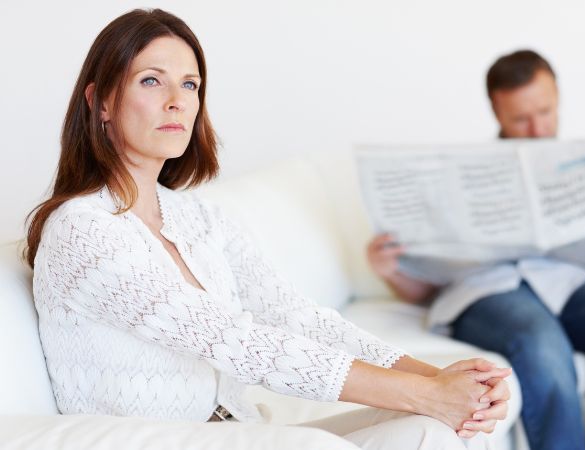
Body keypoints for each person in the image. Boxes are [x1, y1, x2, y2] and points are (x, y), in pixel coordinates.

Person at [26, 9, 513, 450]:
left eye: (190, 84)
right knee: (429, 420)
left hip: (242, 428)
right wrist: (429, 393)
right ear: (102, 101)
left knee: (435, 428)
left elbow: (295, 318)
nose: (177, 101)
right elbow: (239, 343)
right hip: (164, 441)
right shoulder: (82, 231)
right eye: (151, 81)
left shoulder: (199, 216)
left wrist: (443, 379)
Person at [367, 49, 585, 450]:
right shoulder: (455, 178)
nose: (537, 129)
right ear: (496, 110)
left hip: (574, 292)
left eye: (546, 111)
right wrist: (389, 270)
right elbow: (427, 292)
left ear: (558, 98)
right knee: (540, 339)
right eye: (521, 118)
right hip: (492, 296)